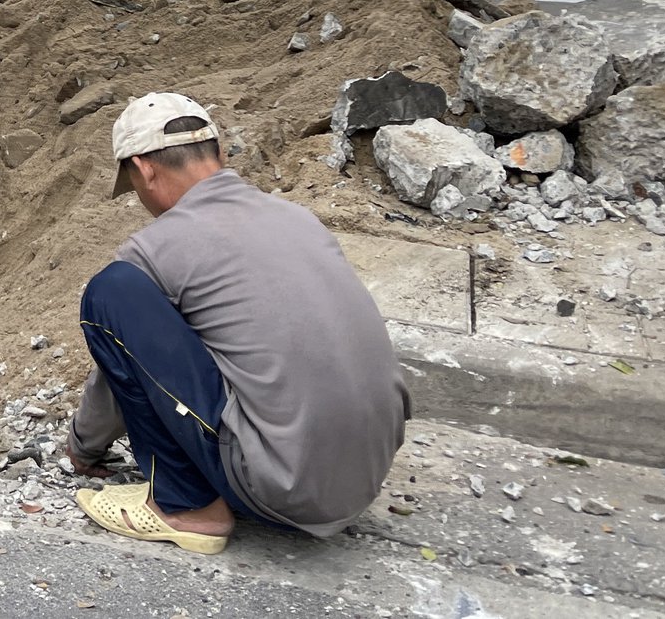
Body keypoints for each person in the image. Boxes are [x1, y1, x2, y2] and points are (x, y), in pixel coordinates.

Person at [68, 94, 409, 554]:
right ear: (219, 154)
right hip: (365, 475)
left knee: (111, 293)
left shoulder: (157, 247)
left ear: (144, 169)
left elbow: (126, 364)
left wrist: (84, 447)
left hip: (284, 489)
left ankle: (187, 506)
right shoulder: (297, 218)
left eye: (133, 182)